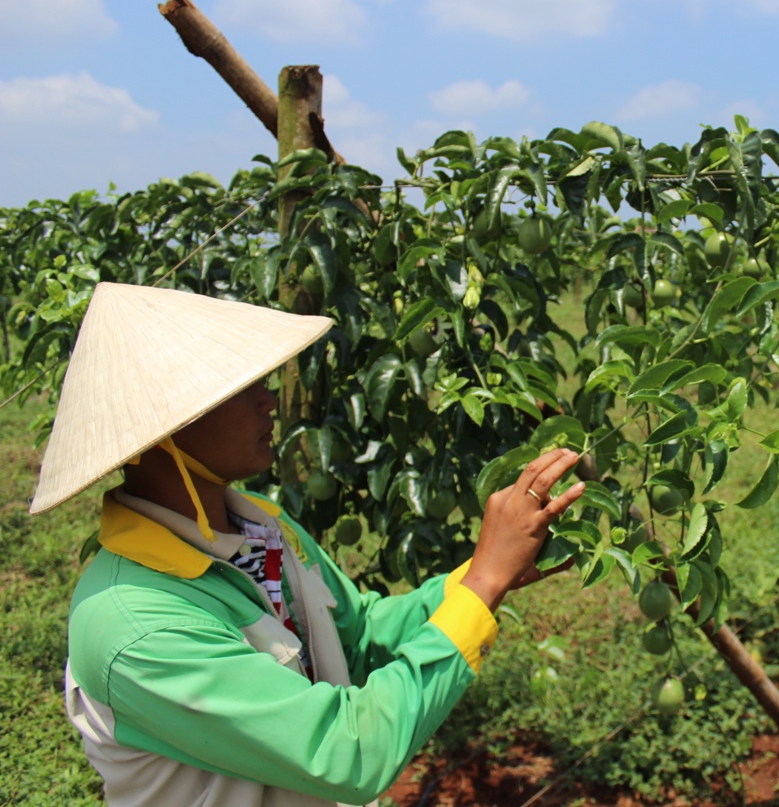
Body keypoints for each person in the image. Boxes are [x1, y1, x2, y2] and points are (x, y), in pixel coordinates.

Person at [29, 282, 584, 806]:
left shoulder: (258, 528)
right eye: (241, 387)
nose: (269, 400)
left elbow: (361, 636)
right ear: (166, 431)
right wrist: (484, 583)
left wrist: (484, 575)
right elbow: (347, 752)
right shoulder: (138, 626)